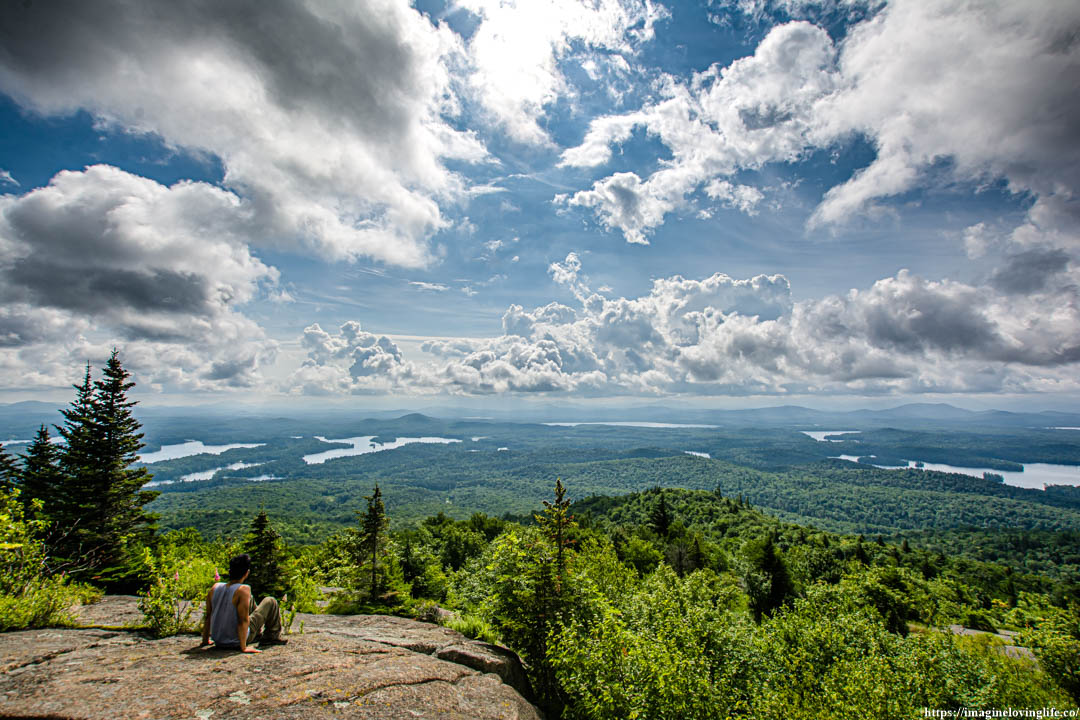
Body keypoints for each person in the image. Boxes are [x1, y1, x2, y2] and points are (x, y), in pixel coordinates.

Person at [200, 553, 287, 652]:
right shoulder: (243, 590)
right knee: (270, 601)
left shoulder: (215, 587)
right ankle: (272, 636)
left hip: (218, 639)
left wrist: (205, 640)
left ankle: (257, 632)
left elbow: (208, 616)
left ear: (230, 571)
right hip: (235, 641)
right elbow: (243, 621)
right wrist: (243, 647)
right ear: (247, 573)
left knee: (250, 598)